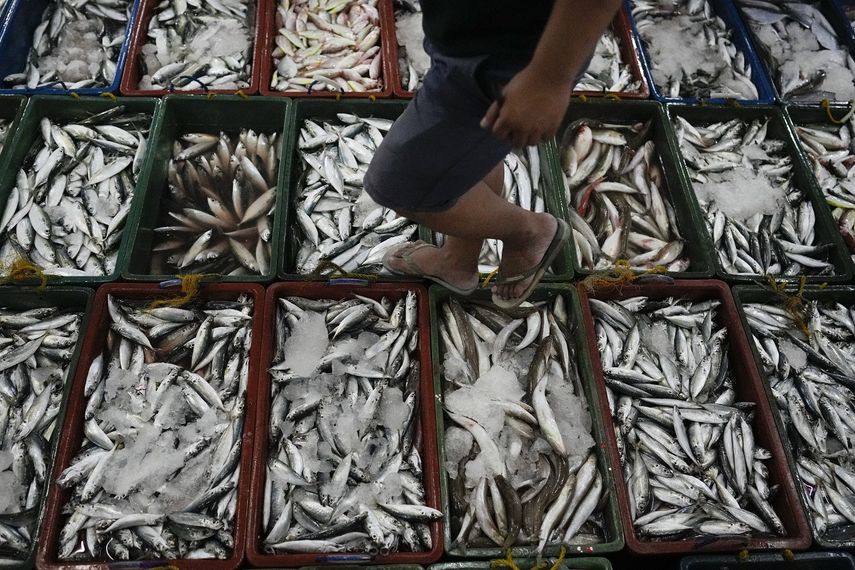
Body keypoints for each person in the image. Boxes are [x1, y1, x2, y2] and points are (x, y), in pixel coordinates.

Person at [363, 0, 622, 308]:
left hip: (506, 58)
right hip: (469, 40)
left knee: (396, 185)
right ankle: (457, 261)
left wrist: (549, 78)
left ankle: (528, 233)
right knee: (472, 150)